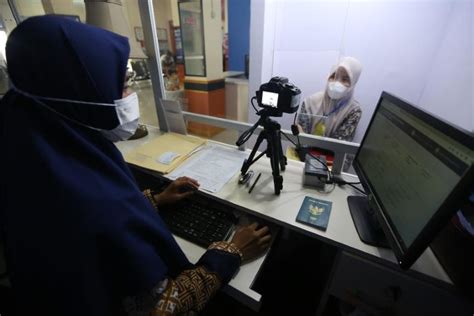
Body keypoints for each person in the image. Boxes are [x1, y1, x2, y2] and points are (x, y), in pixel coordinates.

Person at [0, 16, 271, 315]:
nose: (130, 97)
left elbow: (90, 237)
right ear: (80, 94)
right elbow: (161, 308)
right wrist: (230, 252)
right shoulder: (93, 201)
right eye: (123, 85)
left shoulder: (25, 139)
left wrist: (153, 200)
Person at [297, 56, 363, 142]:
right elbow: (301, 139)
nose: (337, 82)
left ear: (353, 83)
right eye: (334, 76)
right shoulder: (310, 102)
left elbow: (339, 144)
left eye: (344, 79)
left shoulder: (353, 111)